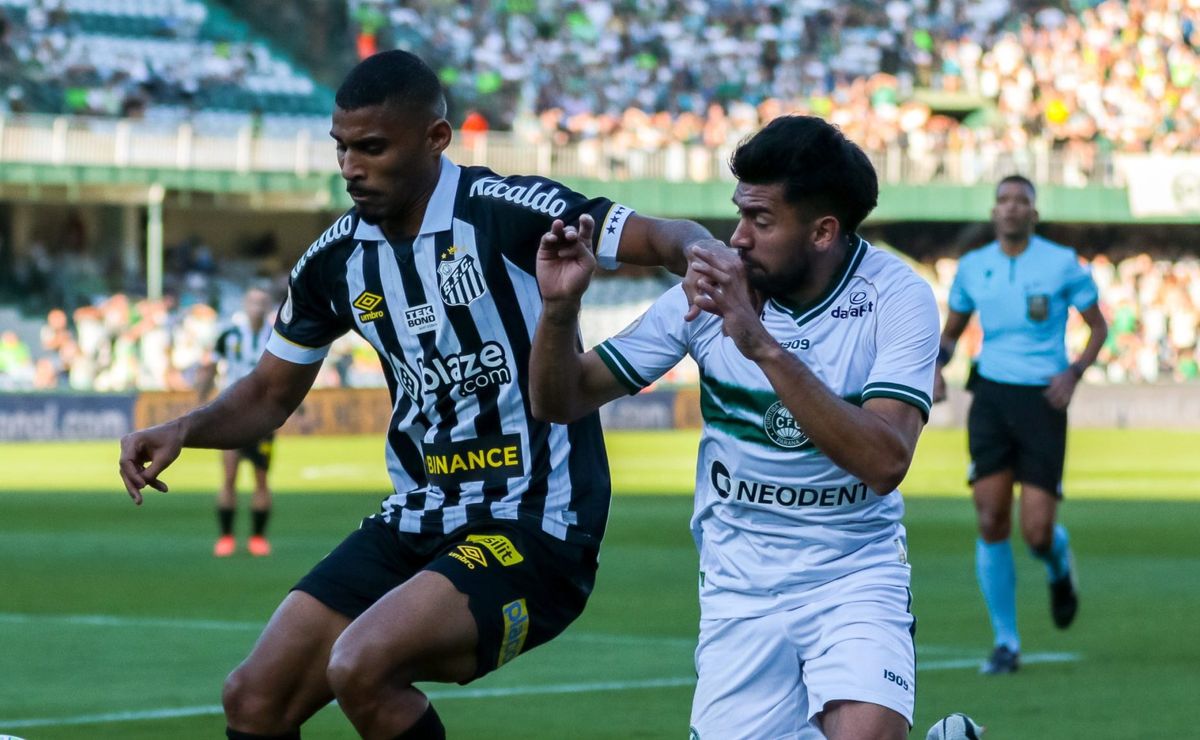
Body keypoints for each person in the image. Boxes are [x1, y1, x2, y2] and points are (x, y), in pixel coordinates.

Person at [117, 49, 719, 739]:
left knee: (363, 665)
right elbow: (269, 394)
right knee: (254, 698)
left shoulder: (506, 211)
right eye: (341, 148)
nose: (350, 167)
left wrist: (705, 256)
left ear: (436, 138)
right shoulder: (334, 261)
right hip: (420, 513)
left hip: (533, 521)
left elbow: (662, 236)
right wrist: (184, 429)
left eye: (372, 148)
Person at [529, 115, 940, 740]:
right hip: (740, 585)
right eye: (739, 214)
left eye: (761, 220)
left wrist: (760, 344)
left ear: (823, 231)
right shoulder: (707, 289)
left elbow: (886, 461)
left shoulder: (897, 297)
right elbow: (562, 399)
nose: (737, 238)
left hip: (854, 570)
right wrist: (559, 309)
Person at [933, 174, 1108, 675]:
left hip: (1042, 400)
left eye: (1021, 201)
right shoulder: (973, 267)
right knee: (990, 518)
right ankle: (1006, 642)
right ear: (993, 212)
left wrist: (1074, 373)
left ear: (1034, 213)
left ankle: (1058, 561)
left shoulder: (1061, 263)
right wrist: (935, 367)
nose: (1011, 208)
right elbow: (952, 334)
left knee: (1036, 533)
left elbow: (1098, 326)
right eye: (1003, 200)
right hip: (990, 395)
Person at [195, 286, 277, 558]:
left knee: (261, 477)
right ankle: (226, 537)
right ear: (245, 304)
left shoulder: (276, 335)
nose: (257, 306)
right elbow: (211, 366)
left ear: (268, 306)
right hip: (232, 414)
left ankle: (258, 538)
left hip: (263, 418)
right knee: (229, 475)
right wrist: (201, 400)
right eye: (253, 301)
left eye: (262, 302)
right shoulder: (229, 336)